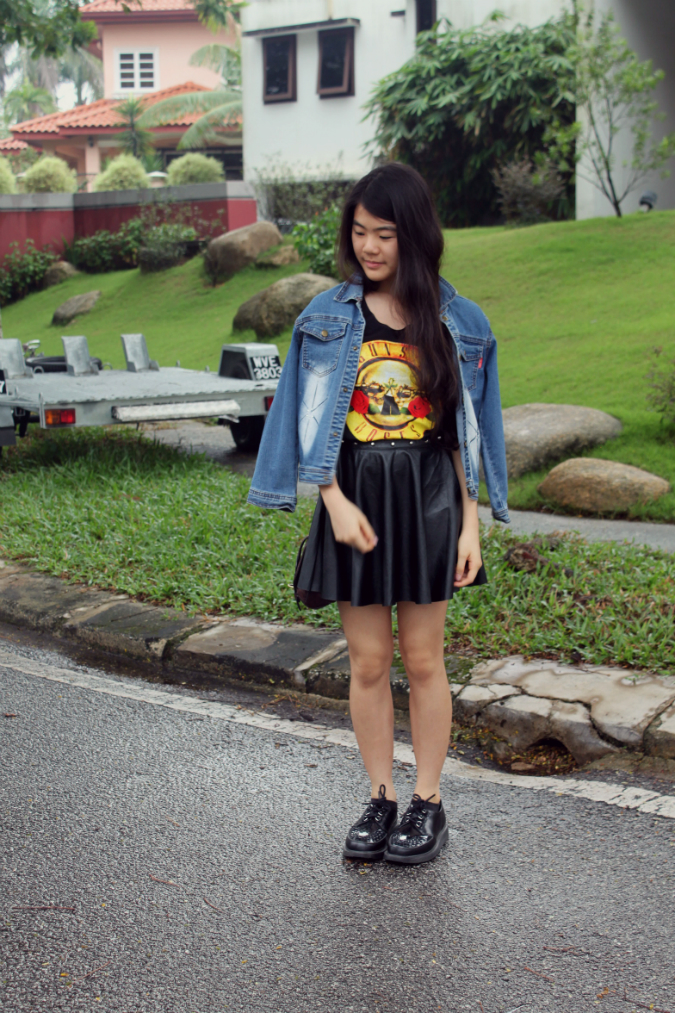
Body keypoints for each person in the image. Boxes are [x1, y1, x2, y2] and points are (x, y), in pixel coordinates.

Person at [248, 162, 509, 865]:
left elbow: (464, 432)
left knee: (423, 659)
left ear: (414, 235)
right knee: (367, 662)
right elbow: (304, 419)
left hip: (429, 497)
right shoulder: (326, 317)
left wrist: (471, 523)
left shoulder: (459, 322)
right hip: (355, 495)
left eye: (385, 234)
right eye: (360, 231)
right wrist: (330, 500)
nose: (368, 246)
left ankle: (427, 801)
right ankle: (380, 796)